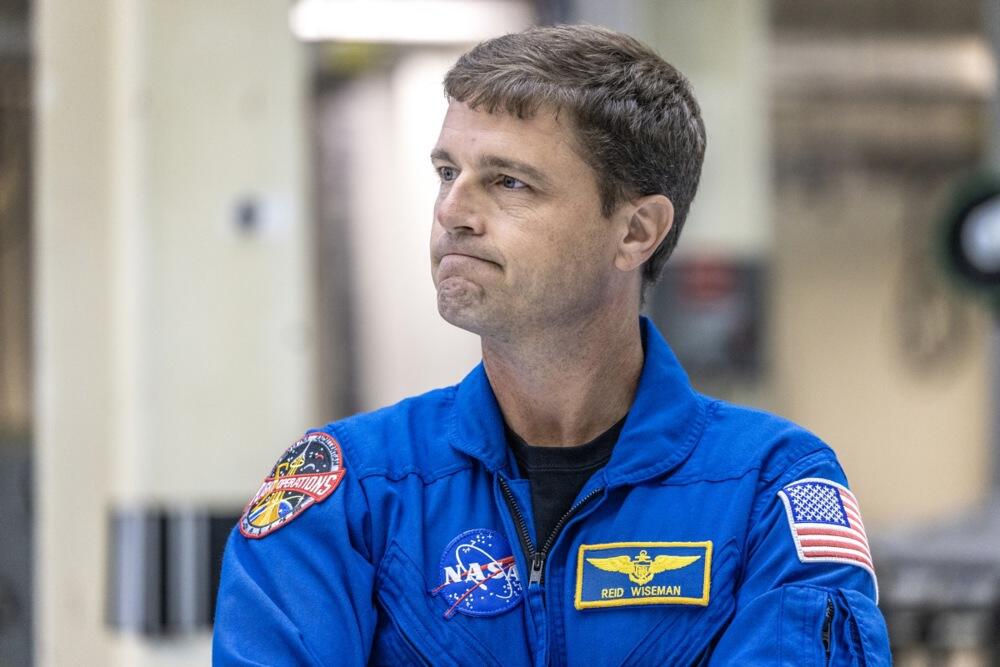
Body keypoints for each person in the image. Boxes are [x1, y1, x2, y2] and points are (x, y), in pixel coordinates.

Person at [213, 24, 891, 665]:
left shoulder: (769, 487)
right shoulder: (351, 491)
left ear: (636, 231)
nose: (453, 212)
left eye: (508, 182)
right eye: (447, 172)